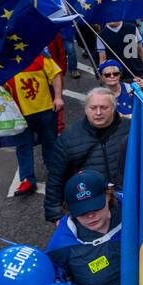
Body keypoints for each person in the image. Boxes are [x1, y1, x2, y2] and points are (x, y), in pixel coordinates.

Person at [44, 88, 131, 223]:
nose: (98, 113)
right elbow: (55, 178)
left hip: (128, 203)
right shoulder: (69, 137)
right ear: (85, 109)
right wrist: (55, 215)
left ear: (114, 108)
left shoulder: (131, 129)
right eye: (93, 108)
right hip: (90, 210)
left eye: (104, 108)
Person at [4, 51, 64, 196]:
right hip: (18, 114)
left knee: (50, 142)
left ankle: (54, 171)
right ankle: (27, 179)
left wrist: (58, 97)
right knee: (23, 146)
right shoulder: (2, 61)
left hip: (44, 108)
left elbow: (55, 74)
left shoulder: (39, 56)